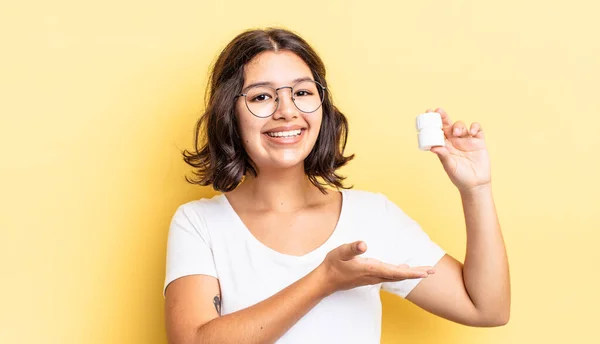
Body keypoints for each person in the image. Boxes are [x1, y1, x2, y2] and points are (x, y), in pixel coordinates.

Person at [163, 28, 510, 344]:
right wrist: (324, 279)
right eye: (261, 97)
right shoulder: (199, 223)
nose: (287, 111)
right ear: (230, 112)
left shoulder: (373, 216)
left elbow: (486, 309)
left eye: (302, 92)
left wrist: (476, 189)